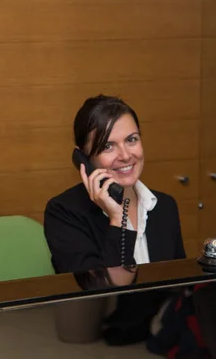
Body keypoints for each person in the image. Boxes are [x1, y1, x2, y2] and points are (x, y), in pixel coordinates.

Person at [44, 94, 185, 345]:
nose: (125, 155)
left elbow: (177, 293)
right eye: (107, 146)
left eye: (131, 140)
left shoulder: (163, 206)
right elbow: (105, 293)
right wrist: (117, 217)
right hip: (101, 346)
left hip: (156, 343)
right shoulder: (63, 212)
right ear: (84, 160)